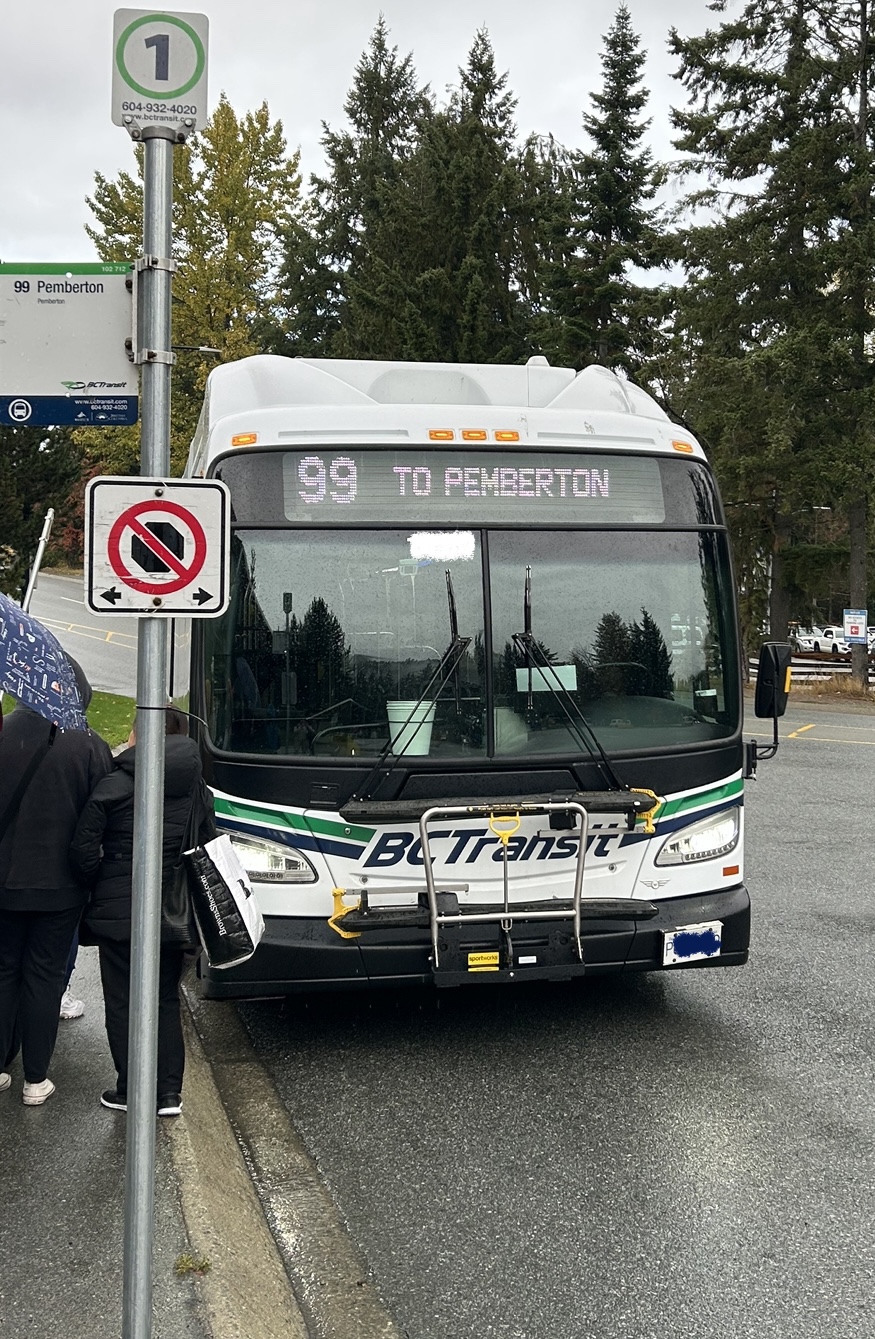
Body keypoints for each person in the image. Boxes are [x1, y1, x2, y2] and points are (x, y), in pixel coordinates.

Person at [70, 707, 216, 1117]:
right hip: (172, 910)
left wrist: (99, 880)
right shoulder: (197, 790)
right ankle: (169, 1092)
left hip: (119, 911)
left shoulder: (114, 784)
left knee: (121, 1002)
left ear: (137, 737)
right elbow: (208, 846)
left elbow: (82, 850)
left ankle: (130, 1088)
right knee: (165, 998)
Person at [0, 661, 113, 1104]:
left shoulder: (2, 732)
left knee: (5, 969)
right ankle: (35, 1078)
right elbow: (103, 814)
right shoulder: (89, 745)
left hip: (4, 881)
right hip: (61, 885)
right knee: (44, 976)